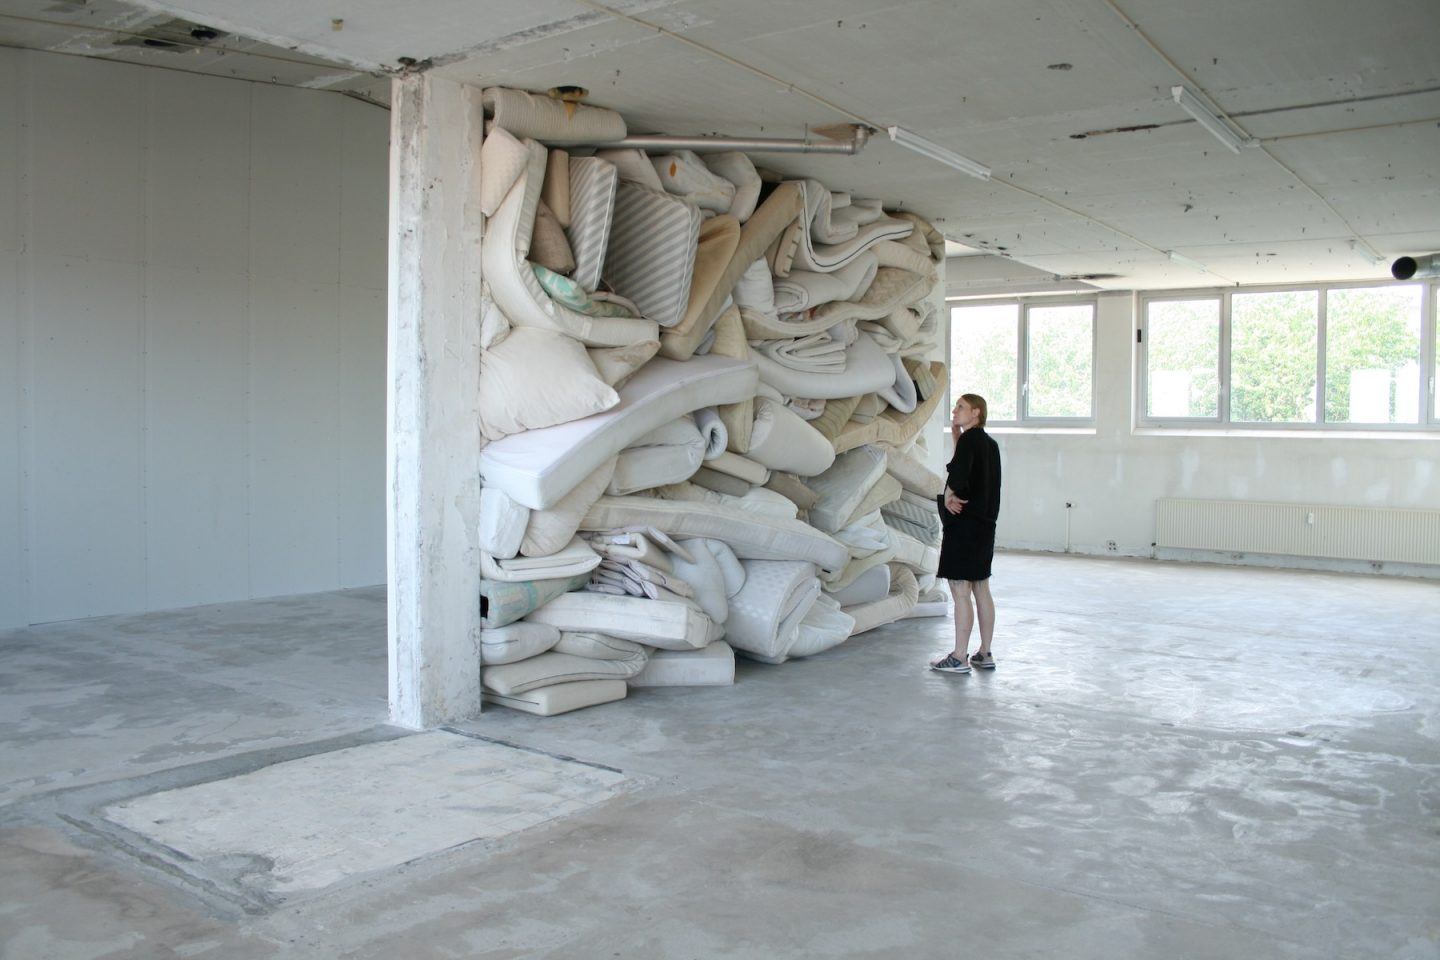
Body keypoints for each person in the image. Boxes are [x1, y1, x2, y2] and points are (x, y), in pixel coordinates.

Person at [930, 393, 1001, 674]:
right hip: (984, 526)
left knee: (960, 590)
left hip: (964, 526)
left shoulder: (970, 442)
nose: (954, 411)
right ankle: (985, 653)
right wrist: (956, 437)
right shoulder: (989, 444)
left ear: (976, 413)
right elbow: (971, 466)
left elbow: (958, 476)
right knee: (981, 587)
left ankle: (959, 657)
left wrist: (949, 494)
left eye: (961, 407)